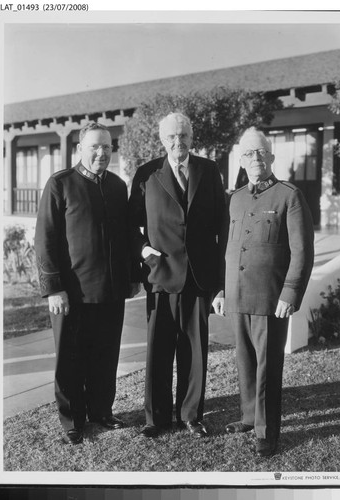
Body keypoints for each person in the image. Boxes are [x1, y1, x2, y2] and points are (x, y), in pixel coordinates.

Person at [34, 122, 140, 445]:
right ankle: (72, 419)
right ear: (80, 149)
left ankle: (101, 411)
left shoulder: (118, 187)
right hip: (72, 294)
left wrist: (133, 276)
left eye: (107, 147)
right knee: (70, 358)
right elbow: (45, 239)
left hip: (110, 291)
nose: (102, 153)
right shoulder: (60, 184)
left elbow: (126, 237)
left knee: (106, 355)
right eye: (95, 146)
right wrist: (53, 288)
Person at [213, 127, 314, 457]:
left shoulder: (289, 195)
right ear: (241, 161)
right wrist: (221, 291)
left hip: (270, 298)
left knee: (268, 367)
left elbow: (302, 251)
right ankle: (249, 416)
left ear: (271, 157)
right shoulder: (236, 198)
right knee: (245, 361)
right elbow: (228, 249)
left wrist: (290, 292)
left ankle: (266, 433)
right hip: (237, 297)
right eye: (248, 154)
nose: (255, 159)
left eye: (261, 153)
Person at [129, 112, 226, 438]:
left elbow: (221, 225)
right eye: (171, 136)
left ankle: (190, 415)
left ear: (191, 137)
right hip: (161, 274)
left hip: (199, 278)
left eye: (183, 135)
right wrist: (144, 251)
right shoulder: (146, 174)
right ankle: (155, 418)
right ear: (162, 139)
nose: (178, 142)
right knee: (158, 351)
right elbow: (129, 224)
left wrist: (220, 283)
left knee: (194, 350)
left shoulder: (209, 170)